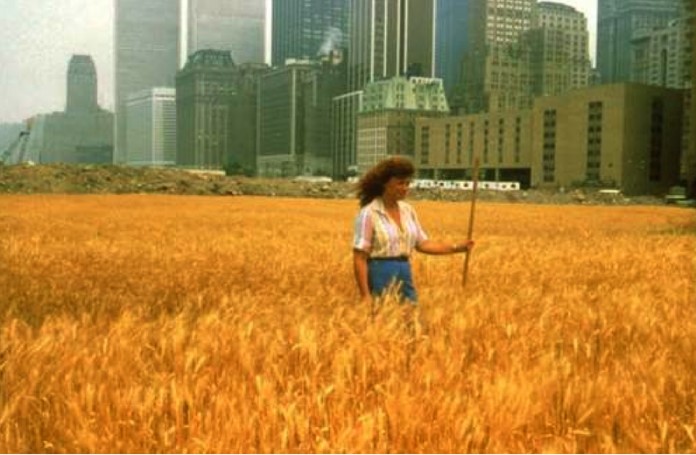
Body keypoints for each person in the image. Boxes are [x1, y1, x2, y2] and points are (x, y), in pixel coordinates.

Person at [352, 156, 474, 304]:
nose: (405, 188)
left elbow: (423, 244)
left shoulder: (408, 210)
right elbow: (359, 257)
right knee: (383, 317)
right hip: (380, 271)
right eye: (400, 183)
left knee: (411, 317)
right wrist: (365, 295)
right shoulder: (369, 213)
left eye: (407, 183)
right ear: (385, 184)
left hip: (404, 270)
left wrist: (457, 248)